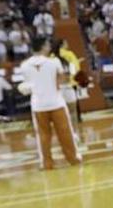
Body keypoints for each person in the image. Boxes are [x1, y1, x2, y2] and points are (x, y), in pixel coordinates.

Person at [21, 37, 82, 170]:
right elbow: (61, 81)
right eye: (47, 45)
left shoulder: (24, 65)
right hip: (56, 103)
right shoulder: (54, 62)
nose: (49, 47)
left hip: (38, 105)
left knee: (42, 135)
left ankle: (46, 163)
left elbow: (26, 86)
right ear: (43, 47)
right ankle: (73, 159)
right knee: (66, 132)